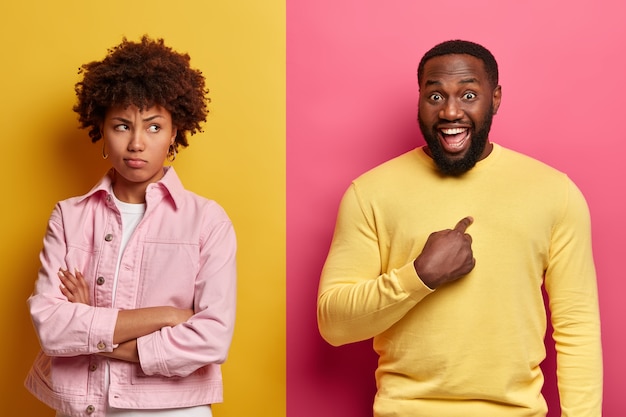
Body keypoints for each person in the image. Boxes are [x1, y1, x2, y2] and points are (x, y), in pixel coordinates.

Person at [317, 40, 602, 416]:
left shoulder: (555, 193)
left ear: (495, 98)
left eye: (469, 94)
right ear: (419, 99)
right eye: (435, 96)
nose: (451, 111)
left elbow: (577, 327)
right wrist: (420, 275)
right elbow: (334, 325)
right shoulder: (369, 193)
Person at [25, 36, 237, 417]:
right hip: (84, 407)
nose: (137, 143)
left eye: (154, 127)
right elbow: (52, 328)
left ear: (175, 133)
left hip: (175, 410)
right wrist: (167, 316)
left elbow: (212, 340)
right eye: (122, 125)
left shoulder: (207, 221)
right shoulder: (69, 217)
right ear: (102, 130)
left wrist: (92, 326)